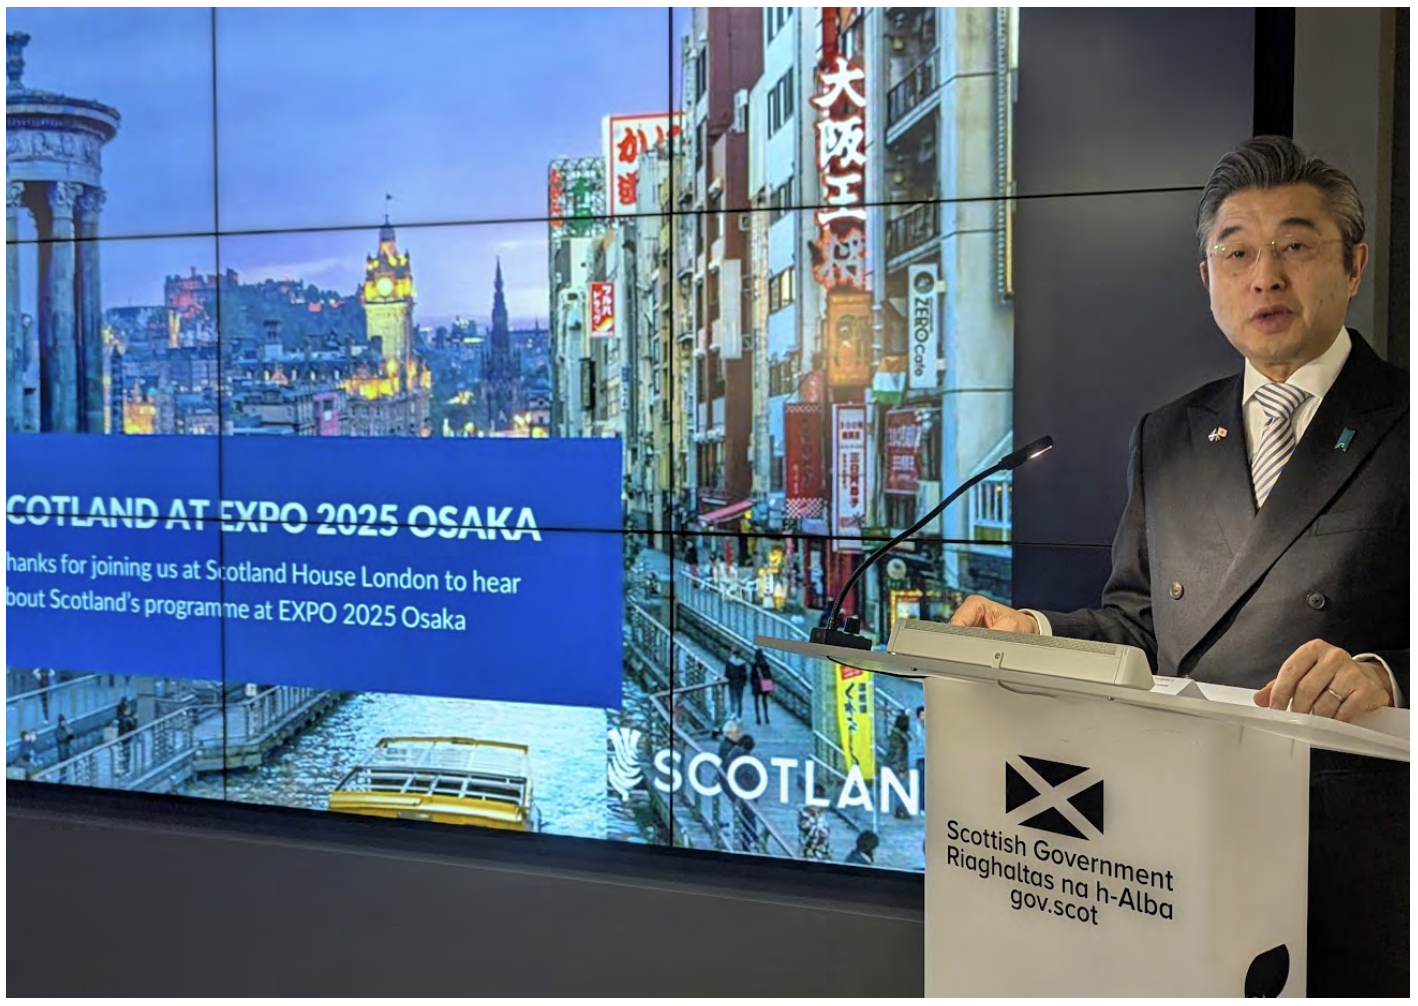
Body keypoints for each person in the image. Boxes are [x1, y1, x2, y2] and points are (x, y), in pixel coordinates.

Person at [950, 136, 1406, 996]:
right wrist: (1033, 631)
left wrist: (1386, 675)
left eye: (1296, 245)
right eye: (1236, 253)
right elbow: (1139, 625)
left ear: (1353, 265)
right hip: (1180, 837)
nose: (1265, 277)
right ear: (1207, 278)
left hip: (1355, 852)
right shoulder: (1167, 434)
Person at [884, 712, 911, 819]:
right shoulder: (899, 738)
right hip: (898, 767)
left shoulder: (896, 735)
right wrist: (902, 768)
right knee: (902, 788)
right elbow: (899, 754)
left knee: (899, 789)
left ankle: (899, 809)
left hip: (893, 766)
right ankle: (901, 810)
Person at [798, 785, 833, 862]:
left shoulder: (822, 815)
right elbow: (806, 829)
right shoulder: (804, 813)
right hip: (809, 853)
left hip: (823, 853)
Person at [749, 647, 775, 726]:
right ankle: (766, 716)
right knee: (764, 700)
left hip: (757, 683)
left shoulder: (755, 664)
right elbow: (769, 675)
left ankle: (758, 717)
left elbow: (752, 675)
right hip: (764, 683)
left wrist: (752, 684)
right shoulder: (765, 663)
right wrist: (771, 684)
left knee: (756, 701)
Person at [722, 650, 749, 719]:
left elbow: (726, 673)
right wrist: (744, 682)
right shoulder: (743, 663)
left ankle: (733, 713)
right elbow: (745, 675)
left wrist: (726, 681)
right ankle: (739, 716)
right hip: (740, 684)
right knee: (739, 700)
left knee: (732, 699)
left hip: (732, 683)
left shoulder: (729, 662)